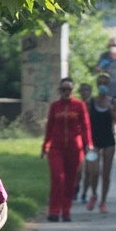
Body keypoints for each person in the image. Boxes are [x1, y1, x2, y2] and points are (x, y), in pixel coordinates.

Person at [41, 77, 92, 223]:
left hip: (74, 148)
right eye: (63, 89)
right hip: (56, 148)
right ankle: (54, 211)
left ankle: (66, 211)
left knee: (70, 181)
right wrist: (45, 145)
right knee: (58, 178)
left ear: (72, 90)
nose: (66, 92)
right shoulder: (55, 106)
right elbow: (49, 127)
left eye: (69, 89)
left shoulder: (79, 106)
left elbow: (85, 126)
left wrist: (88, 143)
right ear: (59, 91)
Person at [86, 76, 116, 213]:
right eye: (100, 83)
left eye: (105, 83)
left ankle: (103, 201)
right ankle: (94, 194)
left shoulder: (113, 102)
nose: (102, 85)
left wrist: (112, 110)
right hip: (93, 141)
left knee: (106, 174)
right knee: (93, 171)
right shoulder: (91, 102)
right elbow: (85, 121)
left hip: (108, 141)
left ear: (108, 85)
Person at [76, 82, 99, 209]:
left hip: (92, 143)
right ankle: (76, 188)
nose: (85, 92)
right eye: (82, 90)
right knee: (78, 170)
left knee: (90, 170)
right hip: (78, 141)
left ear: (90, 92)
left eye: (87, 90)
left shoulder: (95, 105)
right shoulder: (77, 105)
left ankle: (86, 193)